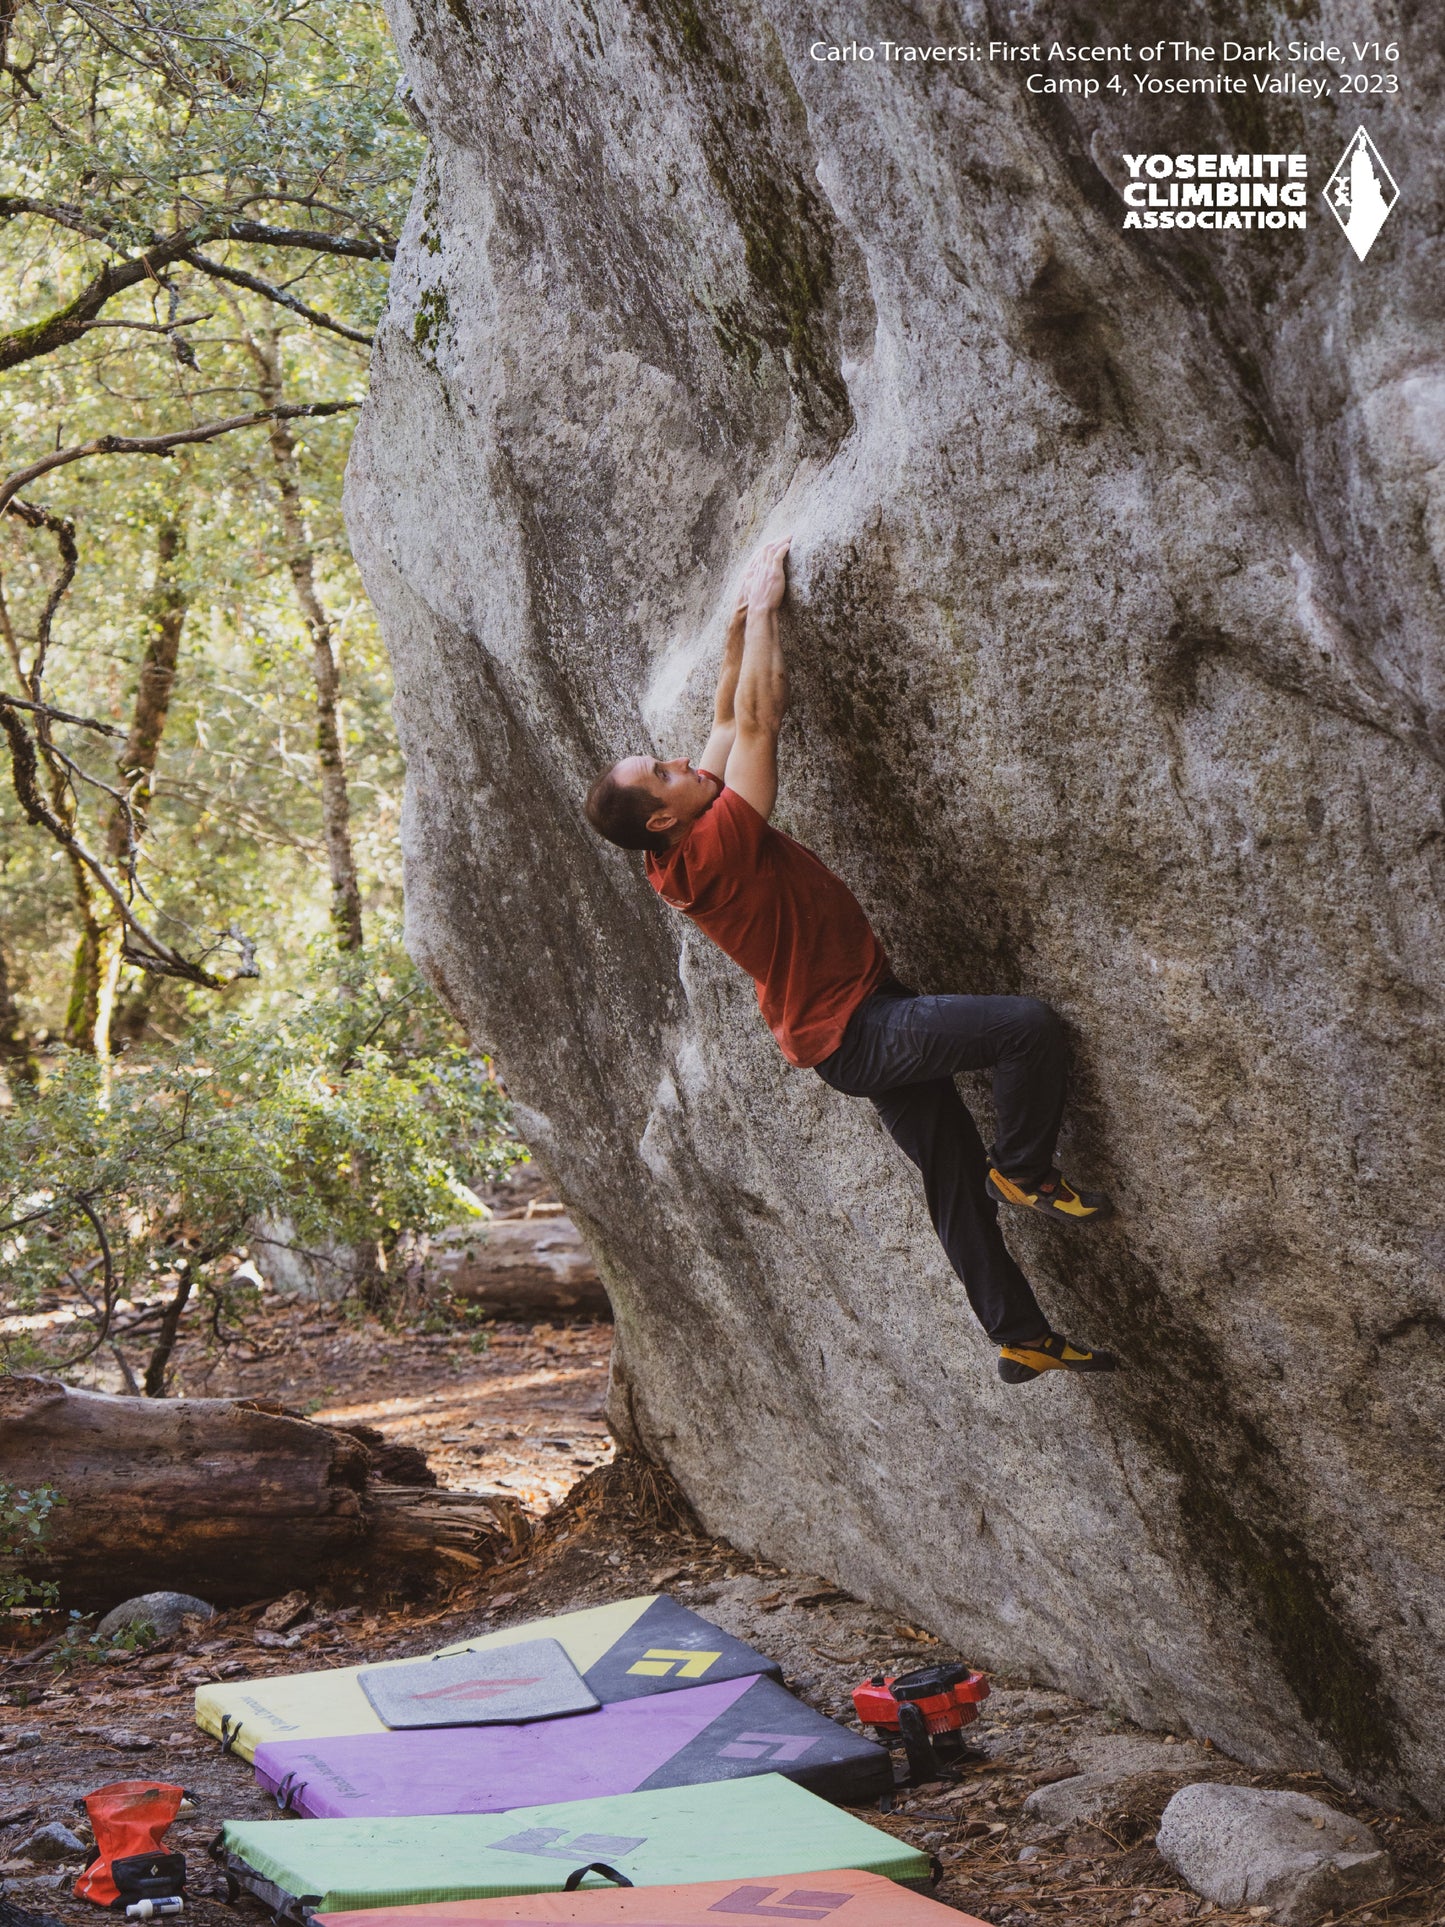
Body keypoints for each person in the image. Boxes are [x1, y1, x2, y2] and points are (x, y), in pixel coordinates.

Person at [584, 537, 1116, 1384]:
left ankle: (1019, 1336)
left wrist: (735, 633)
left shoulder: (674, 847)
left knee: (950, 1186)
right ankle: (1022, 1170)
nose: (680, 760)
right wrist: (764, 613)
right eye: (662, 770)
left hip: (841, 1028)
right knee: (1026, 1029)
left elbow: (724, 720)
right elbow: (758, 719)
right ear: (660, 817)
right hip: (860, 1031)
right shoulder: (715, 846)